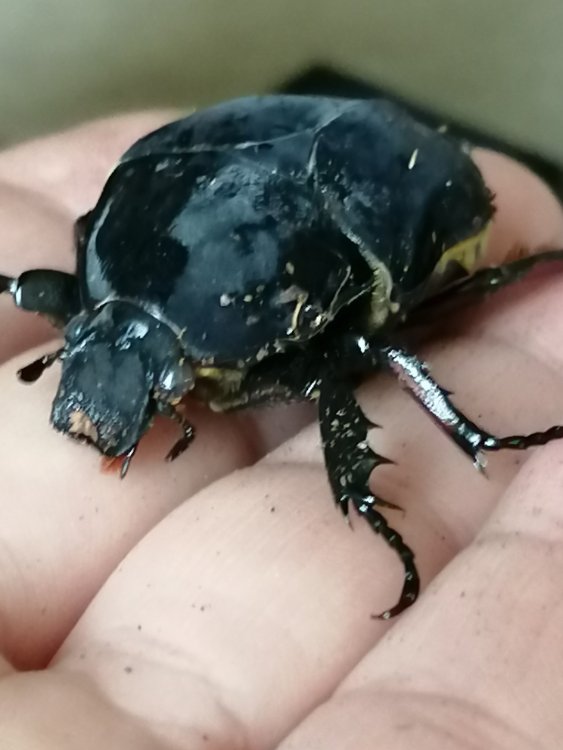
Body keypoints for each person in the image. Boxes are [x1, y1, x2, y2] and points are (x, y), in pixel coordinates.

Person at [0, 112, 562, 749]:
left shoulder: (290, 294)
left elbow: (361, 358)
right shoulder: (108, 243)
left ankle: (466, 444)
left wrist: (465, 439)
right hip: (206, 161)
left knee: (363, 351)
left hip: (390, 177)